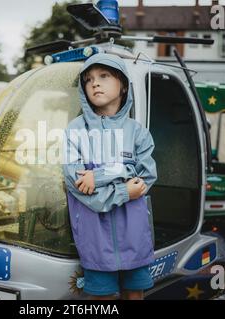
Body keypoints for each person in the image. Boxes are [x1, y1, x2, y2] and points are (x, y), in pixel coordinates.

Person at [63, 53, 157, 300]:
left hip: (134, 236)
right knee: (102, 299)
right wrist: (126, 190)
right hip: (94, 240)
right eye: (89, 79)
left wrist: (99, 175)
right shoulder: (75, 130)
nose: (95, 83)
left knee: (134, 295)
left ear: (123, 84)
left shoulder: (138, 132)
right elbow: (78, 185)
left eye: (104, 76)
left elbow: (146, 177)